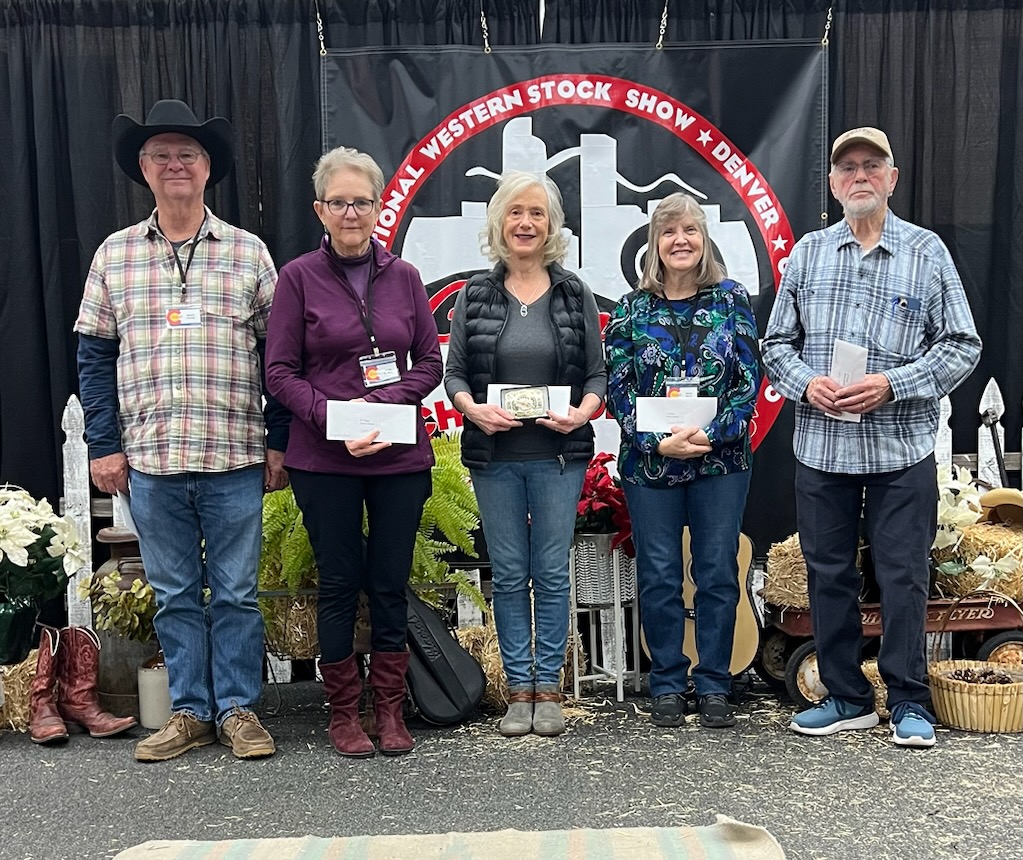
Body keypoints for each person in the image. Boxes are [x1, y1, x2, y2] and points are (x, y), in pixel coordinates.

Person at [75, 99, 290, 762]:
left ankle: (238, 710)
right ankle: (190, 711)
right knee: (172, 595)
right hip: (151, 459)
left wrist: (278, 440)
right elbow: (94, 357)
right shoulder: (114, 255)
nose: (175, 164)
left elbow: (278, 355)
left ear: (207, 168)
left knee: (236, 594)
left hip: (233, 455)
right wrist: (104, 445)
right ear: (143, 169)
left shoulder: (248, 253)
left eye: (187, 154)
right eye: (162, 155)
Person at [762, 127, 982, 748]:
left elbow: (962, 345)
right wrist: (807, 384)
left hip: (900, 448)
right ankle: (847, 698)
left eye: (871, 165)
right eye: (848, 168)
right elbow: (775, 346)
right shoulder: (807, 253)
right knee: (827, 573)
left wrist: (894, 383)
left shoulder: (926, 252)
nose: (859, 176)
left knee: (904, 575)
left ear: (892, 178)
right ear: (833, 184)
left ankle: (909, 700)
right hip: (823, 449)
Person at [265, 147, 442, 758]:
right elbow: (280, 372)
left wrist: (384, 402)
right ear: (319, 209)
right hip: (325, 458)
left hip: (397, 453)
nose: (350, 213)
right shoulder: (297, 278)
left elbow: (430, 361)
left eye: (361, 201)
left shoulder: (406, 277)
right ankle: (344, 713)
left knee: (389, 582)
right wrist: (333, 420)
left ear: (378, 207)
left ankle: (389, 709)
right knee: (339, 583)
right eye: (338, 202)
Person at [444, 171, 606, 738]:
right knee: (510, 573)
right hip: (495, 458)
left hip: (559, 457)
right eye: (516, 212)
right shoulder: (474, 294)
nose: (526, 223)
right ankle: (519, 689)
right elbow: (455, 373)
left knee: (552, 572)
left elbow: (597, 373)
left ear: (552, 224)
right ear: (499, 221)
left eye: (537, 213)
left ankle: (549, 689)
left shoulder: (574, 293)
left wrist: (582, 413)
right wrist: (472, 409)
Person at [605, 192, 761, 729]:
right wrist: (657, 442)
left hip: (721, 463)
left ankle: (715, 682)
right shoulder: (630, 310)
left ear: (704, 239)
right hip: (651, 466)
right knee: (659, 574)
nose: (680, 240)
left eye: (690, 230)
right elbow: (618, 389)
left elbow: (748, 382)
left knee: (717, 571)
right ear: (654, 243)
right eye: (669, 231)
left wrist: (712, 434)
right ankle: (668, 682)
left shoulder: (731, 300)